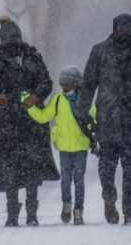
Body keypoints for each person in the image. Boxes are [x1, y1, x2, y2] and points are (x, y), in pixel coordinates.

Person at [75, 13, 131, 226]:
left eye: (128, 27)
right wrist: (82, 113)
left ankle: (130, 212)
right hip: (108, 117)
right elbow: (88, 84)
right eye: (121, 27)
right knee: (108, 165)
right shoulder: (99, 52)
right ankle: (109, 197)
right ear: (114, 29)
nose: (124, 31)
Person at [0, 16, 60, 227]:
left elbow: (46, 83)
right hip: (8, 123)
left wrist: (36, 96)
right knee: (13, 168)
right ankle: (14, 213)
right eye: (9, 38)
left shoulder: (33, 58)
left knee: (26, 167)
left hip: (27, 121)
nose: (12, 42)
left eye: (15, 38)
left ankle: (29, 213)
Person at [24, 65, 97, 226]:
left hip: (81, 146)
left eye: (67, 83)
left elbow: (93, 119)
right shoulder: (57, 99)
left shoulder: (85, 99)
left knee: (78, 180)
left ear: (76, 83)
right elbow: (44, 117)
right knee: (65, 180)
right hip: (64, 147)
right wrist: (28, 105)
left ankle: (78, 210)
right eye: (63, 83)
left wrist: (95, 136)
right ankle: (67, 205)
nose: (64, 87)